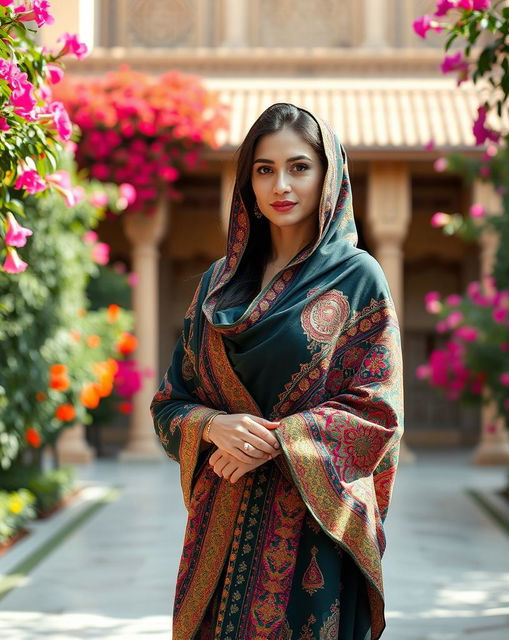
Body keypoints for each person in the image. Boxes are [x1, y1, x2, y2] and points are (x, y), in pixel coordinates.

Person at [150, 102, 403, 640]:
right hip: (219, 526)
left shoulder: (359, 278)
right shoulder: (218, 283)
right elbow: (169, 403)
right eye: (264, 169)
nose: (280, 185)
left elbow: (378, 410)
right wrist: (213, 426)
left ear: (327, 177)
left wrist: (277, 439)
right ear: (248, 183)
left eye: (299, 167)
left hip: (311, 532)